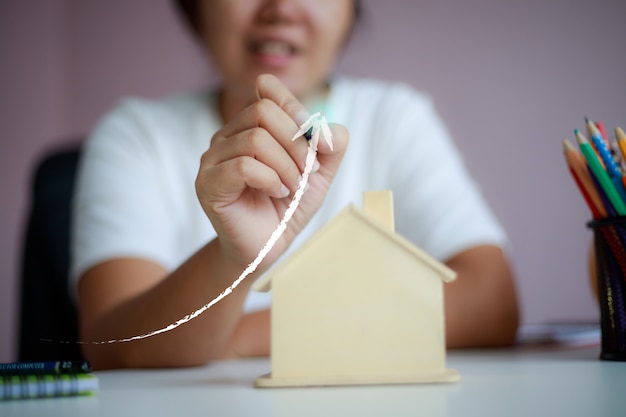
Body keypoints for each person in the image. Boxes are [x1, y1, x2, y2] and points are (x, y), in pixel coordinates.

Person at [71, 0, 519, 370]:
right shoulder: (136, 135)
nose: (281, 9)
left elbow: (491, 301)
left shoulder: (396, 119)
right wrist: (236, 259)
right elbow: (116, 345)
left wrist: (235, 337)